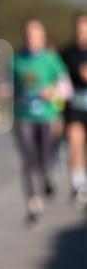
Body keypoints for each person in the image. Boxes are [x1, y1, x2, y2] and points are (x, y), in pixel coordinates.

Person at [9, 19, 72, 222]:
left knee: (45, 158)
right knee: (29, 160)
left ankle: (48, 174)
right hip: (24, 116)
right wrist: (5, 90)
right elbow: (7, 84)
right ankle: (33, 203)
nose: (31, 39)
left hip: (47, 116)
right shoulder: (17, 60)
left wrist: (53, 91)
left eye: (35, 35)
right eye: (28, 35)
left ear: (43, 37)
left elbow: (67, 89)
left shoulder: (51, 60)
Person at [60, 12, 87, 209]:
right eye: (78, 27)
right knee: (75, 142)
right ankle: (79, 186)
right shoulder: (66, 53)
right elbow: (59, 80)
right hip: (74, 107)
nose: (81, 31)